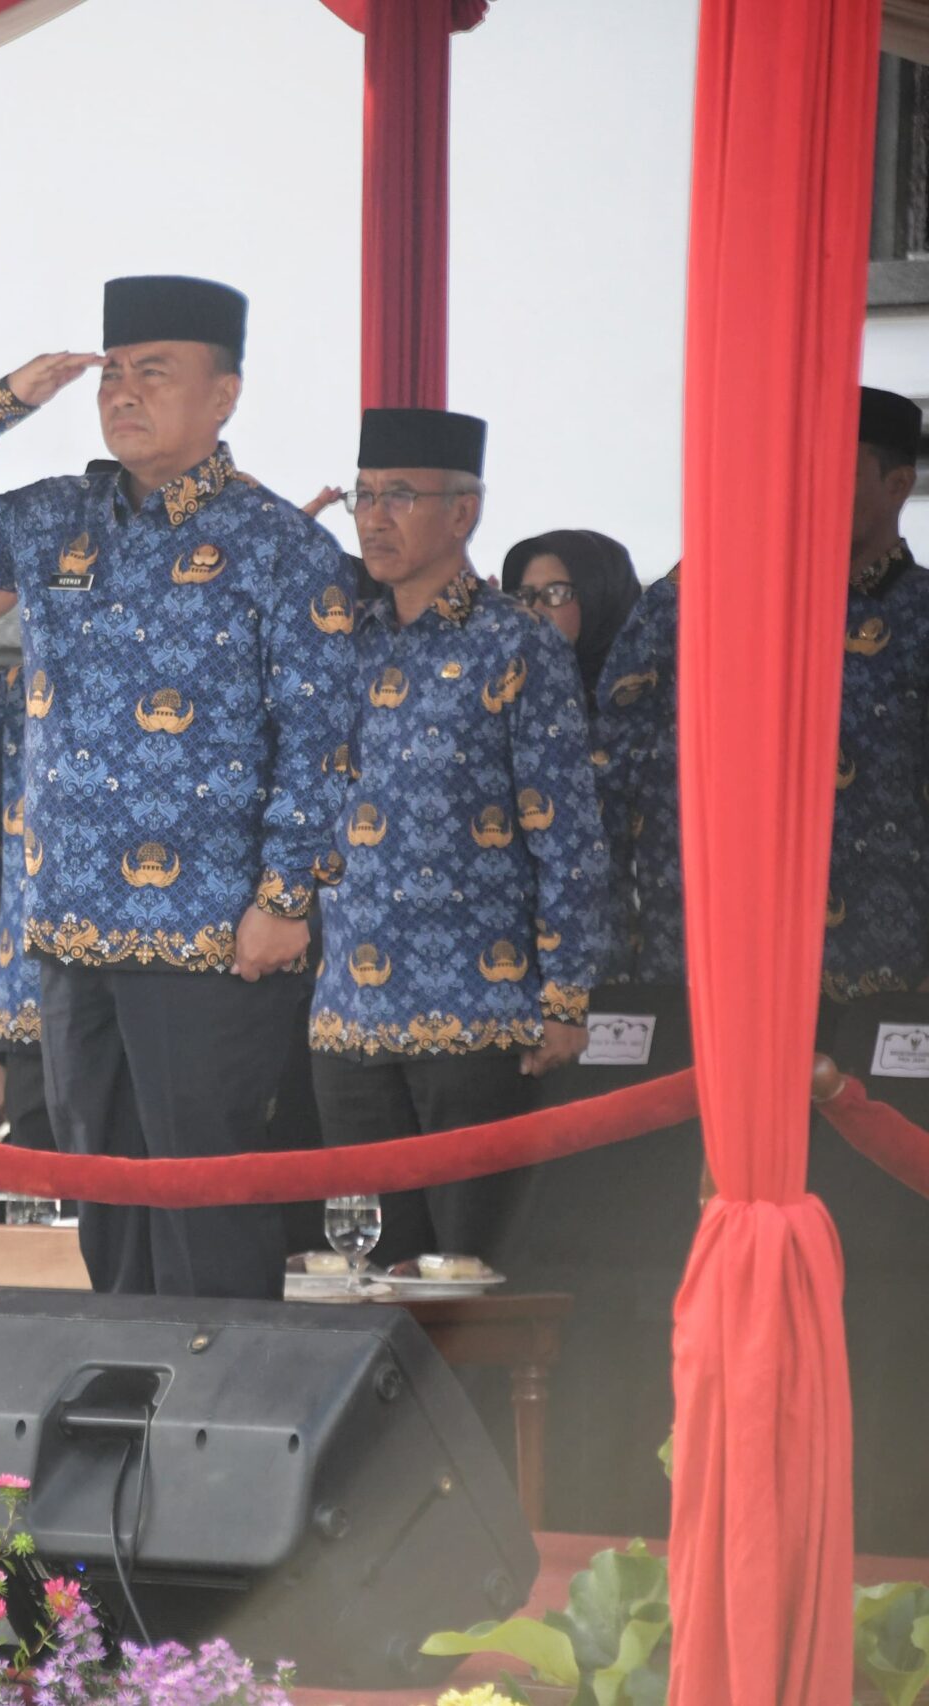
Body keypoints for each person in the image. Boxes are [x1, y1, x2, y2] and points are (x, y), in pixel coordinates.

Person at [0, 276, 355, 1301]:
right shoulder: (60, 521)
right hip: (73, 927)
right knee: (103, 1205)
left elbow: (320, 738)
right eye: (115, 374)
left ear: (223, 395)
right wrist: (2, 402)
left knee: (205, 1203)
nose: (125, 394)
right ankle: (129, 1422)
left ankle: (213, 1430)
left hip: (212, 934)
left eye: (157, 373)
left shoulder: (282, 548)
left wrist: (284, 899)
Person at [592, 385, 929, 1553]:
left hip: (885, 990)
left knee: (876, 1266)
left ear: (898, 483)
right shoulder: (695, 595)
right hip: (711, 983)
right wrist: (625, 957)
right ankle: (685, 1517)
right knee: (682, 1252)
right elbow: (623, 771)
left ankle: (873, 1520)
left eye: (841, 468)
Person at [306, 409, 611, 1266]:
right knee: (368, 1274)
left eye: (399, 497)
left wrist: (564, 996)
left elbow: (569, 835)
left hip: (480, 1014)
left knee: (473, 1278)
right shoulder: (342, 646)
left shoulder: (516, 644)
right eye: (363, 497)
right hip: (349, 1023)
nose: (373, 517)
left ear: (464, 513)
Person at [498, 530, 642, 711]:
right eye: (525, 596)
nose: (536, 610)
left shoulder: (657, 699)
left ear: (597, 597)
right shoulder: (507, 695)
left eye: (556, 592)